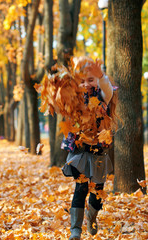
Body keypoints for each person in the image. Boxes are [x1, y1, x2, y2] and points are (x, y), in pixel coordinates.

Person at [60, 57, 118, 240]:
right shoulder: (75, 100)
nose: (86, 84)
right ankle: (75, 229)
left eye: (91, 80)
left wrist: (100, 75)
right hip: (79, 152)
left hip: (98, 152)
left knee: (97, 191)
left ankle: (91, 216)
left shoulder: (103, 97)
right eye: (82, 80)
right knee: (80, 188)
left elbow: (107, 88)